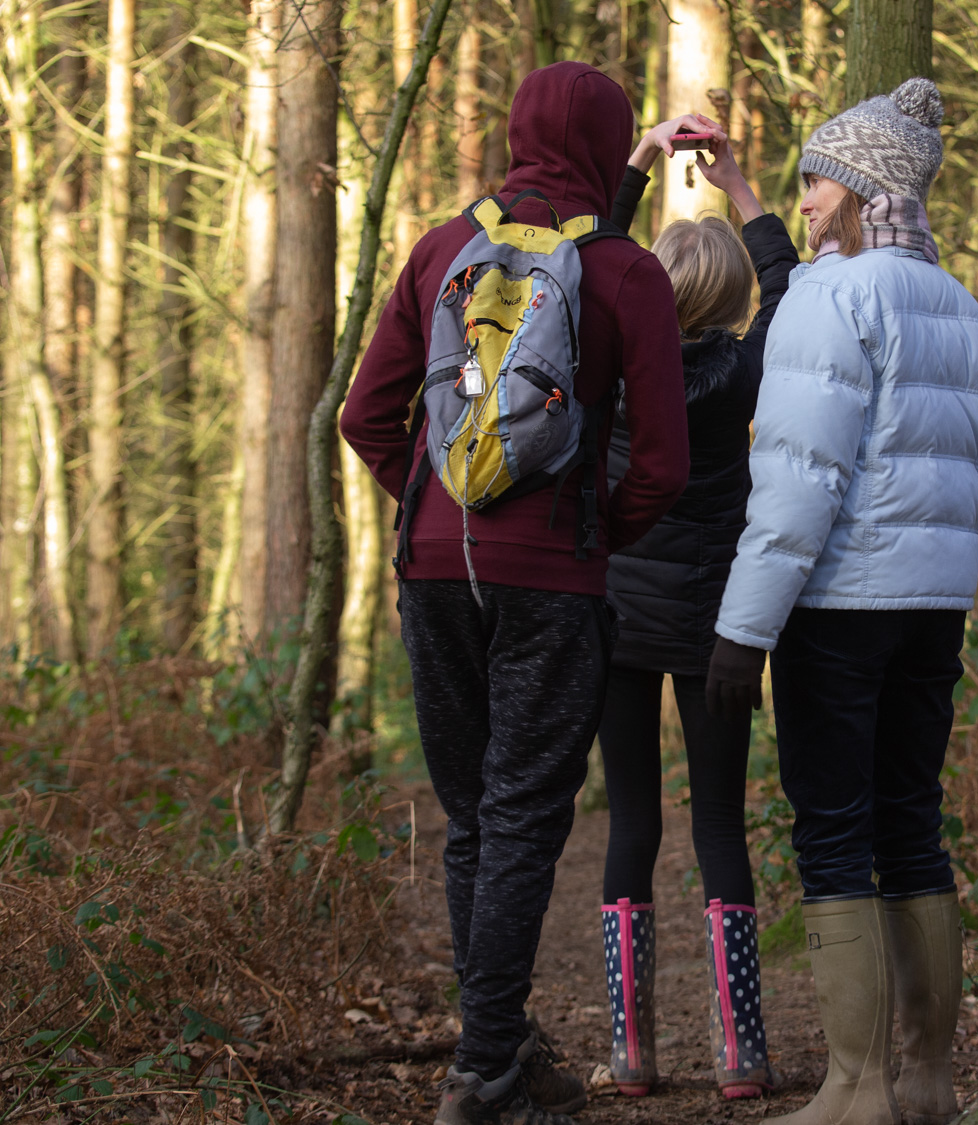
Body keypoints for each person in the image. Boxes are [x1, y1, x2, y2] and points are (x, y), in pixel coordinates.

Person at [339, 62, 690, 1125]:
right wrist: (586, 535)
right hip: (550, 577)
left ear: (517, 130)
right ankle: (487, 1061)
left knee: (470, 821)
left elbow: (366, 417)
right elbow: (664, 465)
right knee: (525, 817)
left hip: (437, 571)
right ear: (610, 139)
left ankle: (496, 1046)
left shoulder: (444, 247)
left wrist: (437, 507)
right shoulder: (626, 272)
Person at [704, 78, 978, 1125]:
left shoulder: (833, 298)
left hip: (839, 608)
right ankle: (927, 1080)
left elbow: (797, 479)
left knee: (832, 833)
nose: (808, 195)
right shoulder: (957, 302)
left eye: (821, 177)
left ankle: (855, 1088)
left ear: (868, 187)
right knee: (911, 824)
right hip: (933, 608)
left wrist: (744, 627)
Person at [592, 115, 801, 1101]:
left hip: (620, 622)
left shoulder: (616, 369)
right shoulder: (747, 369)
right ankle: (743, 1053)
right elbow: (790, 283)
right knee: (720, 824)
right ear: (733, 297)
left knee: (631, 821)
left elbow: (591, 263)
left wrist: (636, 166)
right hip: (720, 623)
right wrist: (742, 188)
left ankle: (632, 1055)